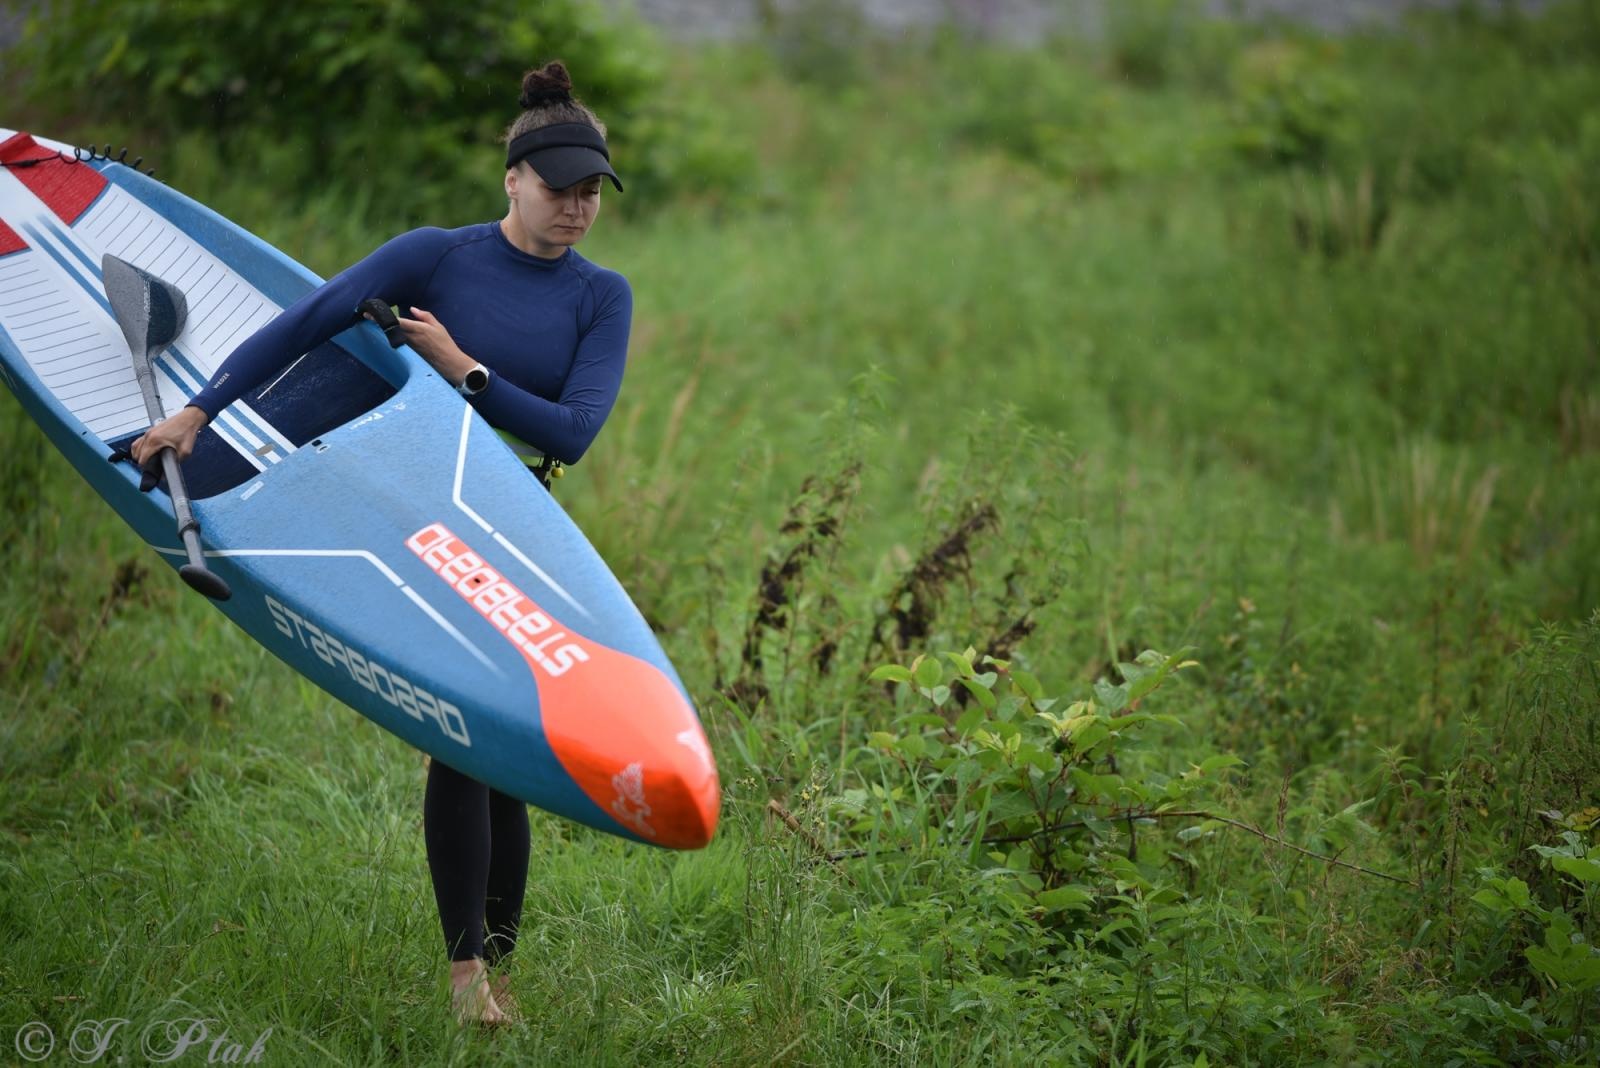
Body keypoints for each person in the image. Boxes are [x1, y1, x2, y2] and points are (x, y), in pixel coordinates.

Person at [129, 60, 632, 1028]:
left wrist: (461, 368)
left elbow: (571, 430)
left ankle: (486, 975)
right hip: (411, 516)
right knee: (466, 728)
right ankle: (470, 980)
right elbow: (307, 322)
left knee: (497, 741)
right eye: (558, 187)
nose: (575, 208)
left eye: (589, 193)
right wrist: (195, 412)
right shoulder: (437, 255)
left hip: (518, 522)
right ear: (512, 181)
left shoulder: (600, 299)